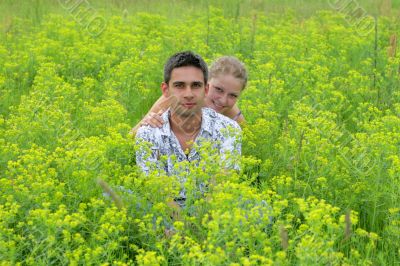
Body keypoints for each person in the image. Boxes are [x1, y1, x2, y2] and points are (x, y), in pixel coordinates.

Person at [135, 51, 241, 207]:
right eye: (179, 86)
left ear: (206, 89)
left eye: (196, 85)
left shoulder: (228, 129)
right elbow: (156, 191)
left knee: (261, 207)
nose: (188, 94)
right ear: (165, 90)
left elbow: (222, 185)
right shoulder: (148, 132)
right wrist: (181, 225)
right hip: (164, 212)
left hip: (212, 211)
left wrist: (197, 225)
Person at [130, 56, 247, 134]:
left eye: (233, 95)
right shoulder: (175, 98)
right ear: (205, 83)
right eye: (218, 89)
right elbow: (132, 135)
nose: (223, 100)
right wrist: (147, 123)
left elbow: (248, 145)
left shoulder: (232, 114)